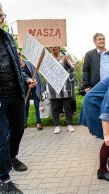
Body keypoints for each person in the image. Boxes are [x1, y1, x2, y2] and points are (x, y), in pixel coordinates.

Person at [0, 3, 36, 193]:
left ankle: (12, 156)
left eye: (2, 15)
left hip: (15, 94)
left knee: (19, 129)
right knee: (1, 138)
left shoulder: (7, 38)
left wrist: (26, 79)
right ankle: (4, 180)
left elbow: (16, 66)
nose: (1, 19)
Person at [46, 47, 75, 134]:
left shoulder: (64, 57)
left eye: (55, 47)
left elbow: (72, 69)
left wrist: (66, 62)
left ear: (58, 47)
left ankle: (69, 125)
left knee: (67, 107)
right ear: (49, 48)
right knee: (54, 107)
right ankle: (56, 126)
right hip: (52, 86)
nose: (53, 49)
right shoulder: (46, 58)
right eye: (51, 47)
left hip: (65, 86)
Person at [18, 52, 44, 130]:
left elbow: (37, 75)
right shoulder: (16, 67)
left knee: (37, 104)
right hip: (24, 88)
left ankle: (38, 122)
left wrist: (41, 88)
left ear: (21, 57)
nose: (18, 60)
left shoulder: (29, 63)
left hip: (34, 85)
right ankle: (24, 122)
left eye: (19, 58)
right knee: (25, 105)